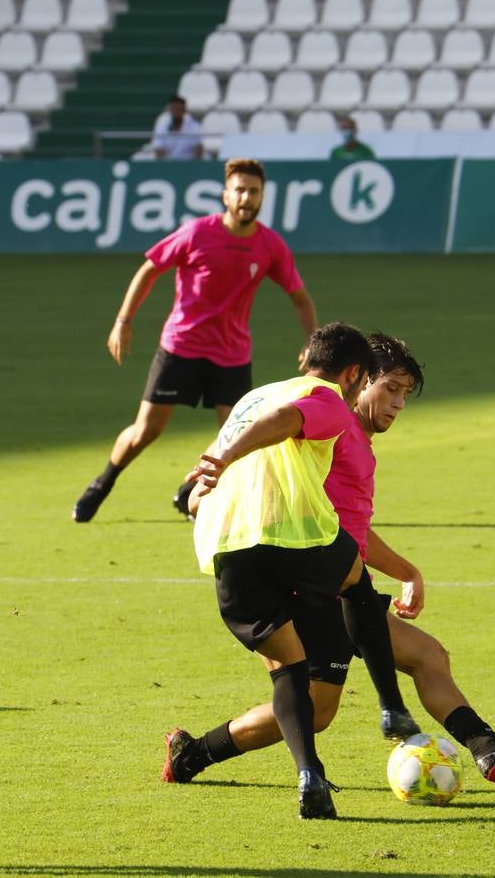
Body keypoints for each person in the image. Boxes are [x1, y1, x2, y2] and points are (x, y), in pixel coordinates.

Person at [163, 334, 495, 792]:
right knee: (421, 659)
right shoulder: (333, 426)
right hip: (310, 584)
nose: (398, 402)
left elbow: (348, 529)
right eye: (390, 388)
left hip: (327, 576)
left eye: (405, 393)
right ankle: (482, 744)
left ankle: (192, 754)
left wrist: (406, 570)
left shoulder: (349, 438)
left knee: (316, 711)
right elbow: (307, 507)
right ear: (360, 378)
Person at [185, 322, 401, 820]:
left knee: (289, 668)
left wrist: (208, 476)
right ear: (353, 374)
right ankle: (392, 706)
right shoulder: (325, 399)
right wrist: (228, 457)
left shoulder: (251, 397)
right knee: (357, 580)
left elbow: (197, 486)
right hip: (296, 537)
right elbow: (286, 420)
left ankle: (310, 778)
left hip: (231, 548)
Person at [71, 157, 318, 522]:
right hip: (181, 347)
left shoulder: (270, 245)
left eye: (254, 191)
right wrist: (124, 319)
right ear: (225, 195)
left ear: (263, 197)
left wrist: (312, 341)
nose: (246, 198)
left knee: (236, 437)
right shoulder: (197, 233)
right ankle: (102, 484)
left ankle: (190, 492)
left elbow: (299, 296)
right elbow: (150, 269)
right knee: (146, 431)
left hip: (232, 355)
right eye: (240, 191)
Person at [151, 95, 203, 160]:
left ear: (184, 111)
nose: (176, 113)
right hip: (168, 165)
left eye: (179, 110)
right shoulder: (162, 124)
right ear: (169, 110)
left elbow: (198, 152)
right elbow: (158, 151)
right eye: (173, 109)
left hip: (188, 165)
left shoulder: (194, 126)